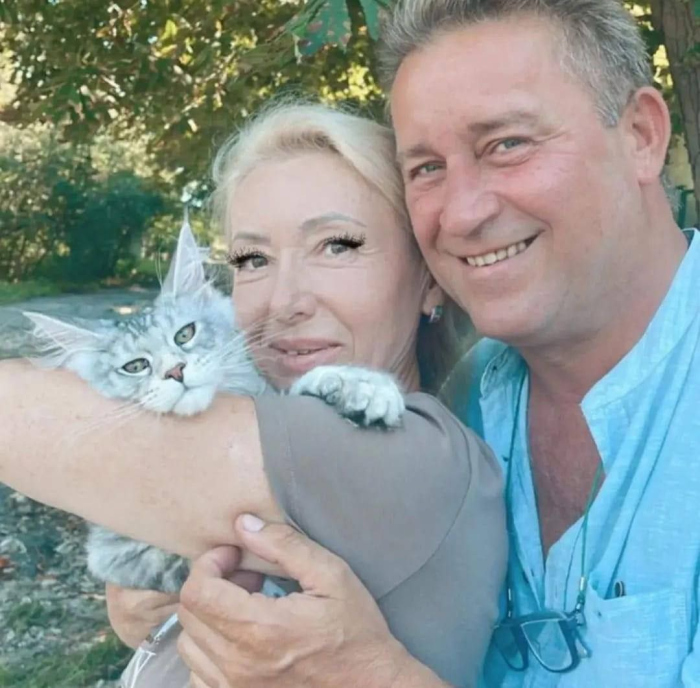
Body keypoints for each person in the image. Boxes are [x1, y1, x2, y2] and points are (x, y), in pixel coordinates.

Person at [170, 1, 700, 687]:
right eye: (425, 168)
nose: (464, 212)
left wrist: (369, 675)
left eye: (507, 144)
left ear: (641, 135)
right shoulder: (466, 395)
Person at [0, 103, 506, 687]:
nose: (285, 302)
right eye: (253, 259)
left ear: (429, 279)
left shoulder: (412, 453)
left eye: (337, 245)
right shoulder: (261, 437)